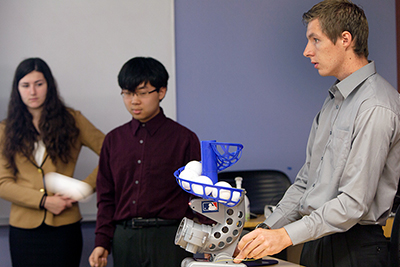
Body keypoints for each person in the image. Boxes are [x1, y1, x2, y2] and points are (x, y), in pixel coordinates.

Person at [234, 1, 400, 266]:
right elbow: (304, 183)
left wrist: (285, 236)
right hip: (317, 243)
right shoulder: (334, 100)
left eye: (315, 40)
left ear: (345, 39)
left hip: (355, 250)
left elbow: (353, 204)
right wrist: (263, 232)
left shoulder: (376, 106)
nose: (306, 51)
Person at [89, 57, 207, 267]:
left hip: (170, 238)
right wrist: (102, 242)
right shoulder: (113, 140)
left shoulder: (184, 138)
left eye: (142, 93)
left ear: (161, 92)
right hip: (125, 238)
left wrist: (206, 239)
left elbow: (198, 194)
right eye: (127, 93)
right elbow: (106, 198)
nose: (134, 100)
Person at [0, 57, 105, 267]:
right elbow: (2, 183)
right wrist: (44, 201)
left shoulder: (72, 120)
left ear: (49, 85)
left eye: (39, 84)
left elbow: (112, 154)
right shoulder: (5, 129)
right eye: (26, 85)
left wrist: (82, 188)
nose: (32, 92)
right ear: (17, 89)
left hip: (64, 228)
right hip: (23, 231)